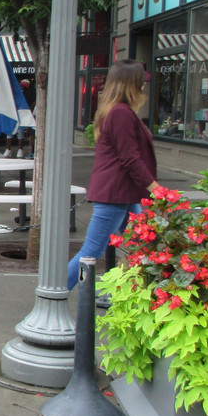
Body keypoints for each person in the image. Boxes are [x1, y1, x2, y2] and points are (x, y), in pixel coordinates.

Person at [68, 60, 160, 290]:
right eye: (141, 82)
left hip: (122, 194)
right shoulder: (121, 113)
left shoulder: (118, 111)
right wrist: (157, 189)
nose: (144, 87)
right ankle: (59, 292)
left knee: (143, 247)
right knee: (92, 251)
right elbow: (130, 158)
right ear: (132, 84)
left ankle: (126, 292)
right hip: (115, 195)